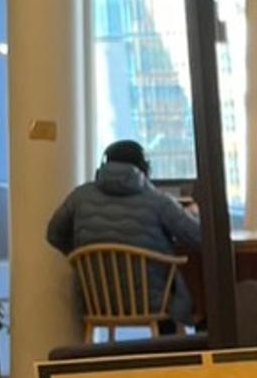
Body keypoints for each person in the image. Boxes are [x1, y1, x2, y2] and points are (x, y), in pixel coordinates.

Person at [47, 140, 201, 329]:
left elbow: (53, 234)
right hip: (151, 301)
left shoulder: (79, 196)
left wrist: (82, 255)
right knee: (184, 287)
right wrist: (192, 214)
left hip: (96, 301)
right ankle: (179, 343)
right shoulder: (158, 201)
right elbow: (198, 237)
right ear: (144, 168)